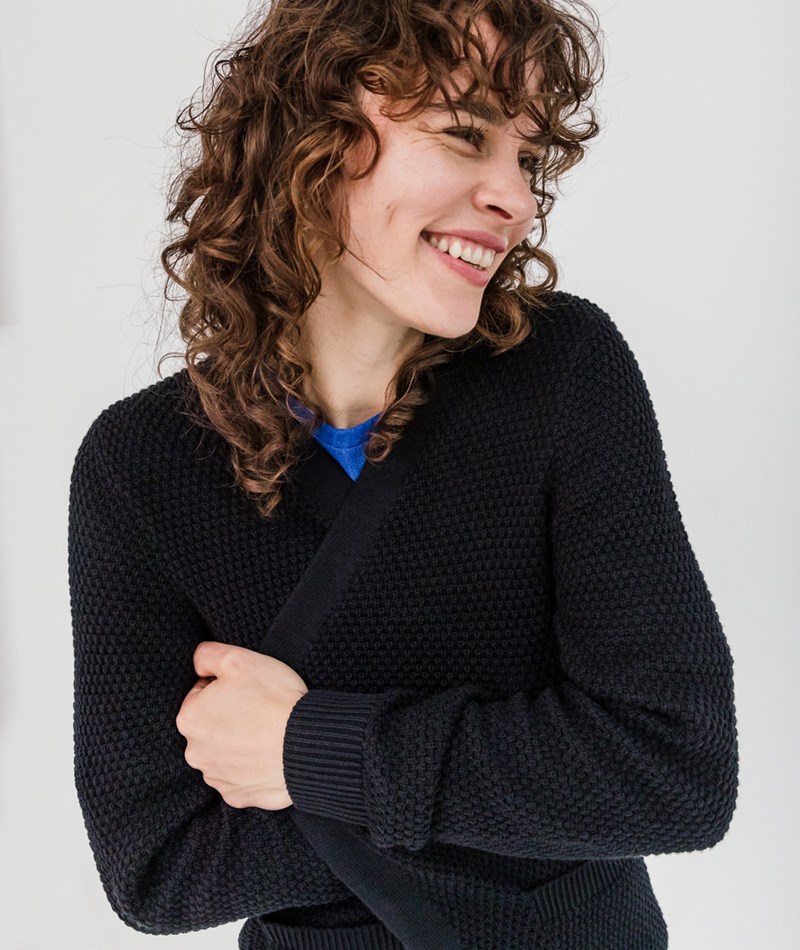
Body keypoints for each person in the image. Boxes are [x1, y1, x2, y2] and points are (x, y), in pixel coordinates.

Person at [67, 1, 739, 948]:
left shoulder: (562, 372)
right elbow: (158, 870)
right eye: (465, 135)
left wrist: (301, 750)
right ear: (310, 139)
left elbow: (674, 772)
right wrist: (524, 794)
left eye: (528, 158)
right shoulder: (142, 461)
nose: (518, 199)